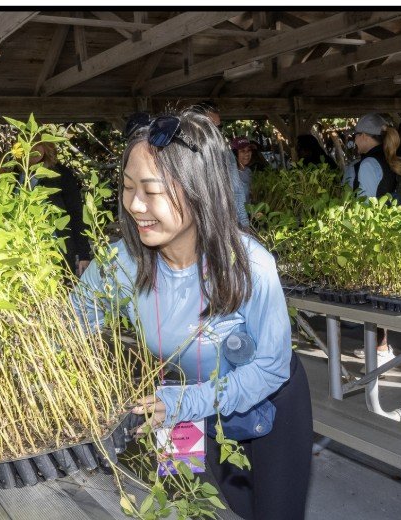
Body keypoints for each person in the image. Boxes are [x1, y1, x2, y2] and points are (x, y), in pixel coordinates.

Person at [71, 109, 312, 520]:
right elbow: (69, 325)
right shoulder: (120, 264)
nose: (135, 205)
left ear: (199, 189)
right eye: (127, 187)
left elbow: (270, 367)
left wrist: (184, 402)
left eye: (152, 191)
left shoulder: (249, 264)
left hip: (269, 401)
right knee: (204, 506)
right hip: (182, 400)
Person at [348, 113, 401, 366]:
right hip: (389, 232)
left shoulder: (368, 164)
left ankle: (379, 348)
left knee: (372, 294)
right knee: (381, 292)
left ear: (363, 136)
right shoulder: (388, 159)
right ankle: (379, 345)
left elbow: (366, 206)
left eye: (355, 136)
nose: (354, 142)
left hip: (372, 236)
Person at [29, 142, 91, 277]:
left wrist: (84, 254)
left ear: (46, 147)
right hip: (27, 249)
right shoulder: (16, 175)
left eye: (37, 144)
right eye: (27, 144)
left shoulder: (61, 174)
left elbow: (76, 213)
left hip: (58, 249)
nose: (32, 149)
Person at [189, 101, 250, 228]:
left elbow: (237, 192)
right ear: (195, 124)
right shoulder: (181, 153)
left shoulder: (225, 154)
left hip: (223, 224)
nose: (216, 132)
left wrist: (244, 223)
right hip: (194, 225)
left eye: (218, 127)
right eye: (211, 127)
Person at [230, 137, 254, 205]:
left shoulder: (248, 171)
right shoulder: (231, 174)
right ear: (235, 153)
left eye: (249, 150)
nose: (247, 154)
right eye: (242, 151)